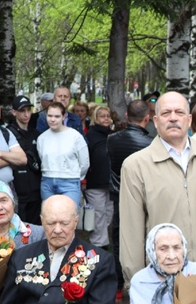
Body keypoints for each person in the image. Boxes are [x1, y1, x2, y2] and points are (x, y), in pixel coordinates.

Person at [120, 91, 196, 279]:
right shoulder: (136, 165)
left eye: (179, 113)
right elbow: (131, 231)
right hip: (161, 278)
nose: (173, 118)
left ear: (189, 120)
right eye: (166, 113)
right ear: (155, 120)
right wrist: (136, 283)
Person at [107, 99, 153, 284]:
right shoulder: (152, 143)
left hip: (119, 194)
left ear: (127, 116)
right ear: (147, 118)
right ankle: (146, 278)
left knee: (119, 238)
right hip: (145, 194)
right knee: (146, 234)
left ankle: (118, 282)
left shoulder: (111, 139)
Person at [35, 103, 88, 206]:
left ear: (64, 116)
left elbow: (85, 163)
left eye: (57, 116)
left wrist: (74, 176)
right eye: (50, 116)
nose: (53, 119)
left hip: (70, 182)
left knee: (69, 217)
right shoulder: (42, 138)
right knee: (49, 217)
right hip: (47, 181)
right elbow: (42, 159)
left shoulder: (75, 137)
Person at [7, 95, 43, 225]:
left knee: (36, 226)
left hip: (36, 189)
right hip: (18, 190)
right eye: (22, 111)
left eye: (28, 110)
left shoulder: (37, 134)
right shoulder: (8, 134)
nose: (26, 114)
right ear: (14, 112)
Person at [84, 105, 113, 250]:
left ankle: (102, 241)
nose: (106, 118)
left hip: (111, 183)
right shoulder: (91, 136)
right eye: (102, 116)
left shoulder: (113, 135)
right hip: (95, 181)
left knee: (108, 214)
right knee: (98, 214)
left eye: (108, 115)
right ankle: (98, 246)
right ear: (95, 118)